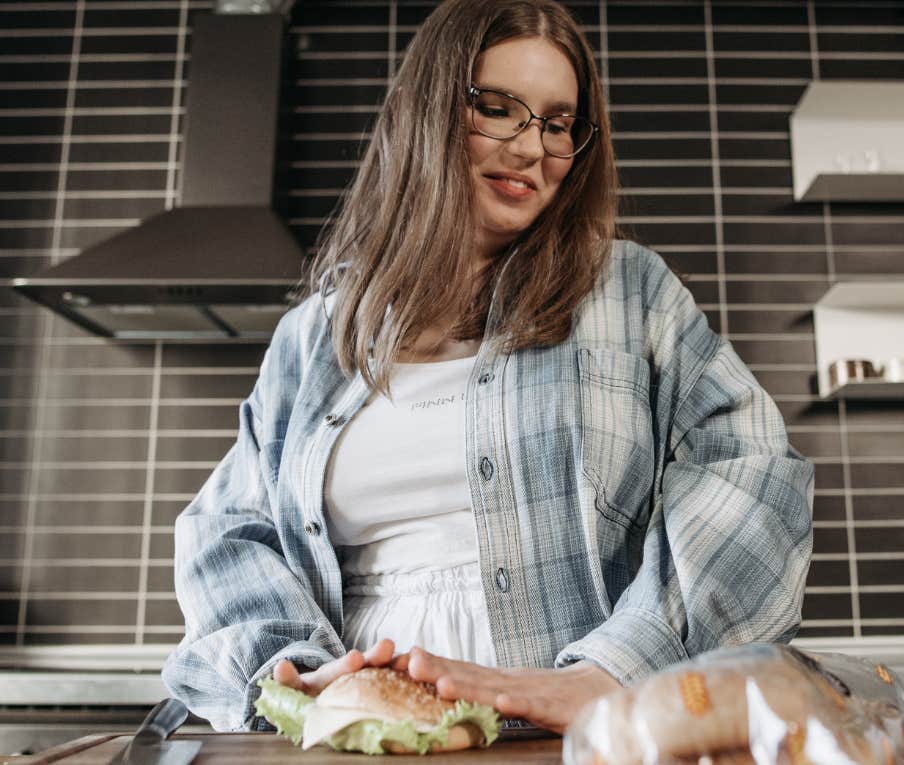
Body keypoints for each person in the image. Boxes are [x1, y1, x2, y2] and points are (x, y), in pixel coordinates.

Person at [162, 0, 814, 736]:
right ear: (427, 112)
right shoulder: (316, 336)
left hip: (578, 738)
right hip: (366, 740)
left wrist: (612, 670)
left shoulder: (630, 294)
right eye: (499, 109)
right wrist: (292, 669)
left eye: (559, 122)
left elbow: (755, 471)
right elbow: (227, 527)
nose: (534, 147)